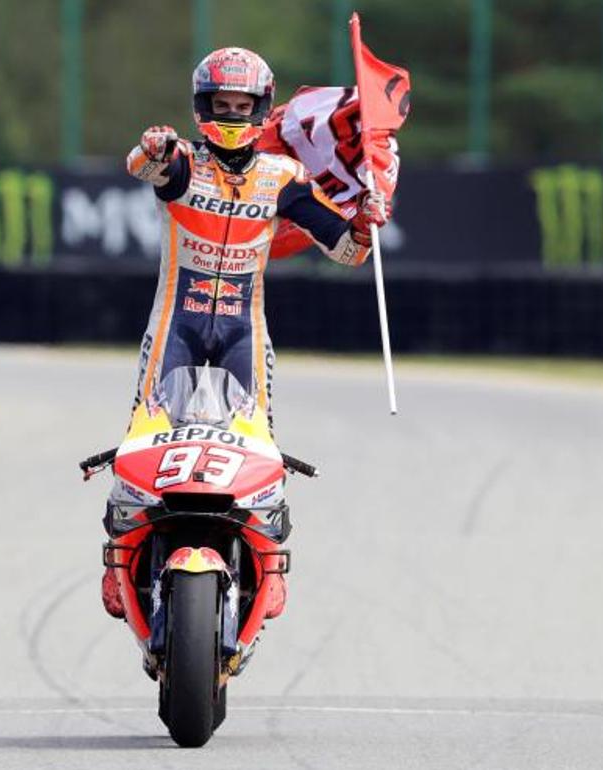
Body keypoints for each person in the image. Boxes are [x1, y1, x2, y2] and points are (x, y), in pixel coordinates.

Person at [103, 47, 389, 619]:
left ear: (263, 109)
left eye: (243, 105)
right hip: (174, 325)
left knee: (260, 444)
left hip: (243, 331)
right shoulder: (182, 162)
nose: (231, 116)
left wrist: (364, 222)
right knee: (141, 434)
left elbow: (348, 250)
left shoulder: (285, 177)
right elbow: (141, 166)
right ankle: (116, 563)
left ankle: (273, 563)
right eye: (221, 104)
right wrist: (151, 145)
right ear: (200, 106)